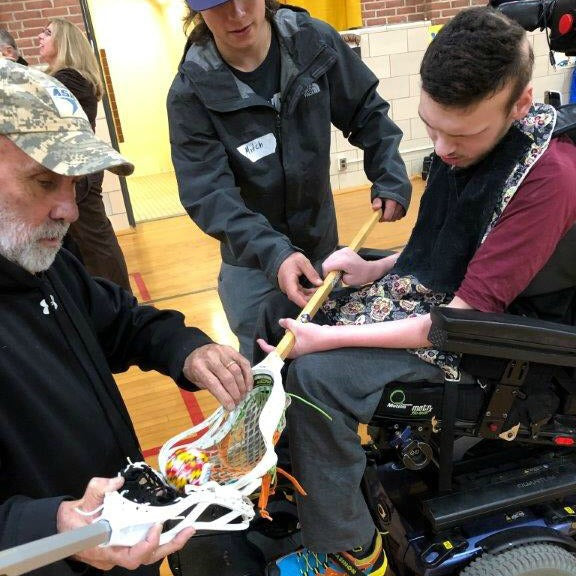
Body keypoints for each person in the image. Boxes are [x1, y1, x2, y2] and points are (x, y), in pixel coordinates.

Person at [256, 7, 576, 575]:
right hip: (459, 305)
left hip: (508, 348)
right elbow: (453, 241)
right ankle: (300, 482)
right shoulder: (471, 140)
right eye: (432, 126)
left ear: (520, 105)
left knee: (312, 379)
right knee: (275, 312)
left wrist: (323, 342)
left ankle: (352, 550)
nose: (443, 147)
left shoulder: (550, 179)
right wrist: (375, 268)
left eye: (461, 134)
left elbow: (460, 318)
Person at [0, 59, 252, 576]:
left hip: (121, 546)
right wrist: (48, 529)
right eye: (45, 181)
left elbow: (121, 324)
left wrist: (187, 349)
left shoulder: (43, 265)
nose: (68, 209)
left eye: (76, 183)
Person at [167, 0, 411, 362]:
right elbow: (209, 194)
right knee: (267, 382)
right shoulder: (191, 91)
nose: (236, 14)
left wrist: (388, 169)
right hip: (252, 268)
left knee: (328, 377)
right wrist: (275, 253)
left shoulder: (312, 41)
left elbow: (366, 110)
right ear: (196, 9)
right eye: (219, 3)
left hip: (323, 252)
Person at [38, 18, 132, 292]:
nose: (40, 37)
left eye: (47, 33)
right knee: (87, 242)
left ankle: (121, 301)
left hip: (79, 172)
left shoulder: (68, 78)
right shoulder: (67, 77)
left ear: (65, 41)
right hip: (78, 170)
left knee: (95, 242)